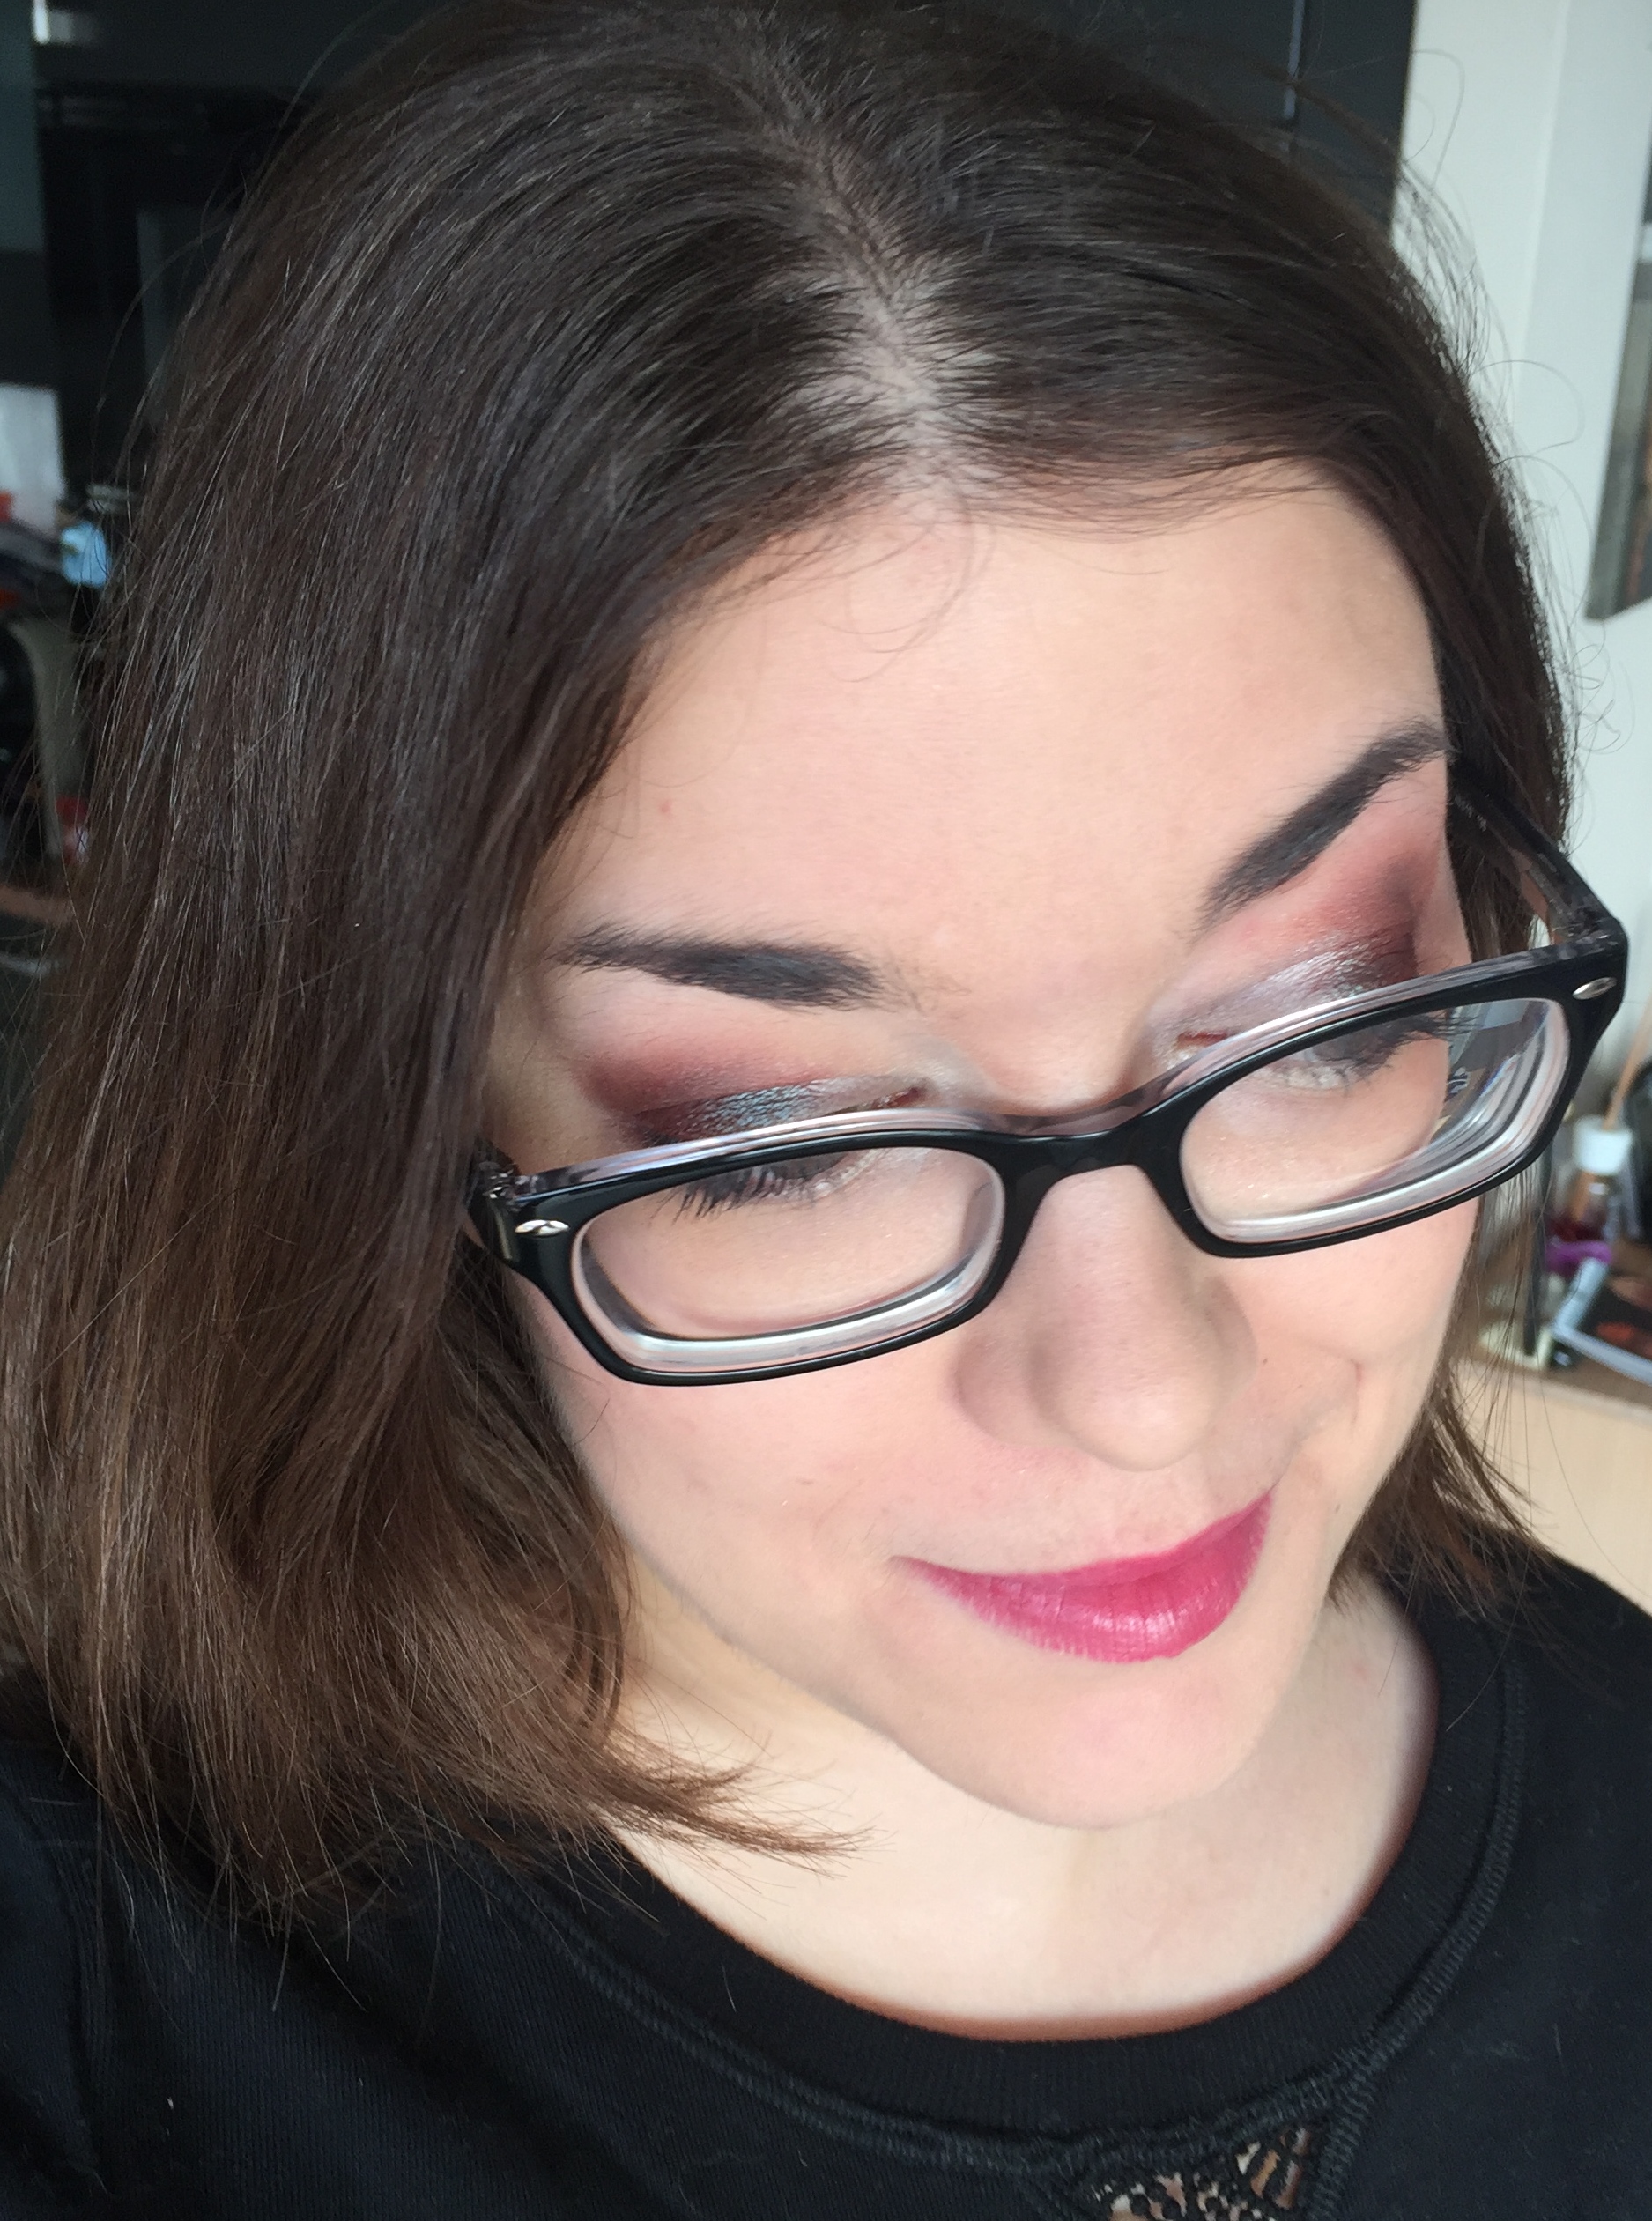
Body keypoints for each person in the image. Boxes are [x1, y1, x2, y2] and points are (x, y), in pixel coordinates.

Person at [0, 2, 1643, 2213]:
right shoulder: (98, 1985)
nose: (1141, 1394)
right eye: (786, 1151)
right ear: (389, 1139)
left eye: (1328, 1022)